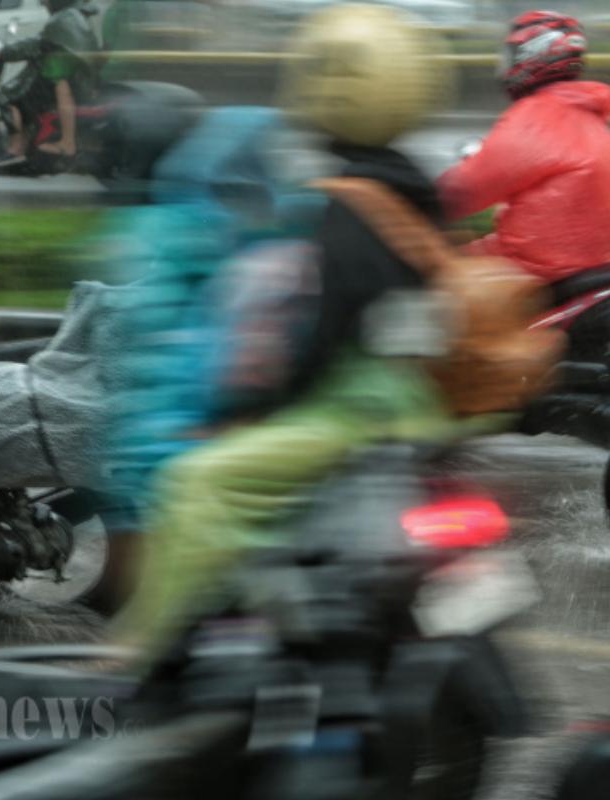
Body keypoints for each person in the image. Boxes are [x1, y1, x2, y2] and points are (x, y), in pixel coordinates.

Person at [112, 3, 490, 659]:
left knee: (195, 484)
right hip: (413, 406)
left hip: (350, 414)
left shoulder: (341, 203)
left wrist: (251, 412)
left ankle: (142, 655)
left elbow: (313, 332)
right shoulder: (410, 187)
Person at [437, 11, 610, 282]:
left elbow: (460, 192)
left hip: (541, 267)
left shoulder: (534, 118)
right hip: (594, 263)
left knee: (444, 275)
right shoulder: (592, 111)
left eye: (510, 54)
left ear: (531, 55)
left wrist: (418, 204)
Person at [0, 0, 100, 165]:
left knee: (5, 97)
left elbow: (37, 44)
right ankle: (32, 141)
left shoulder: (63, 19)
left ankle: (17, 148)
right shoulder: (77, 14)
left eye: (46, 2)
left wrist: (1, 54)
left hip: (70, 80)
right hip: (80, 78)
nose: (44, 4)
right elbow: (42, 41)